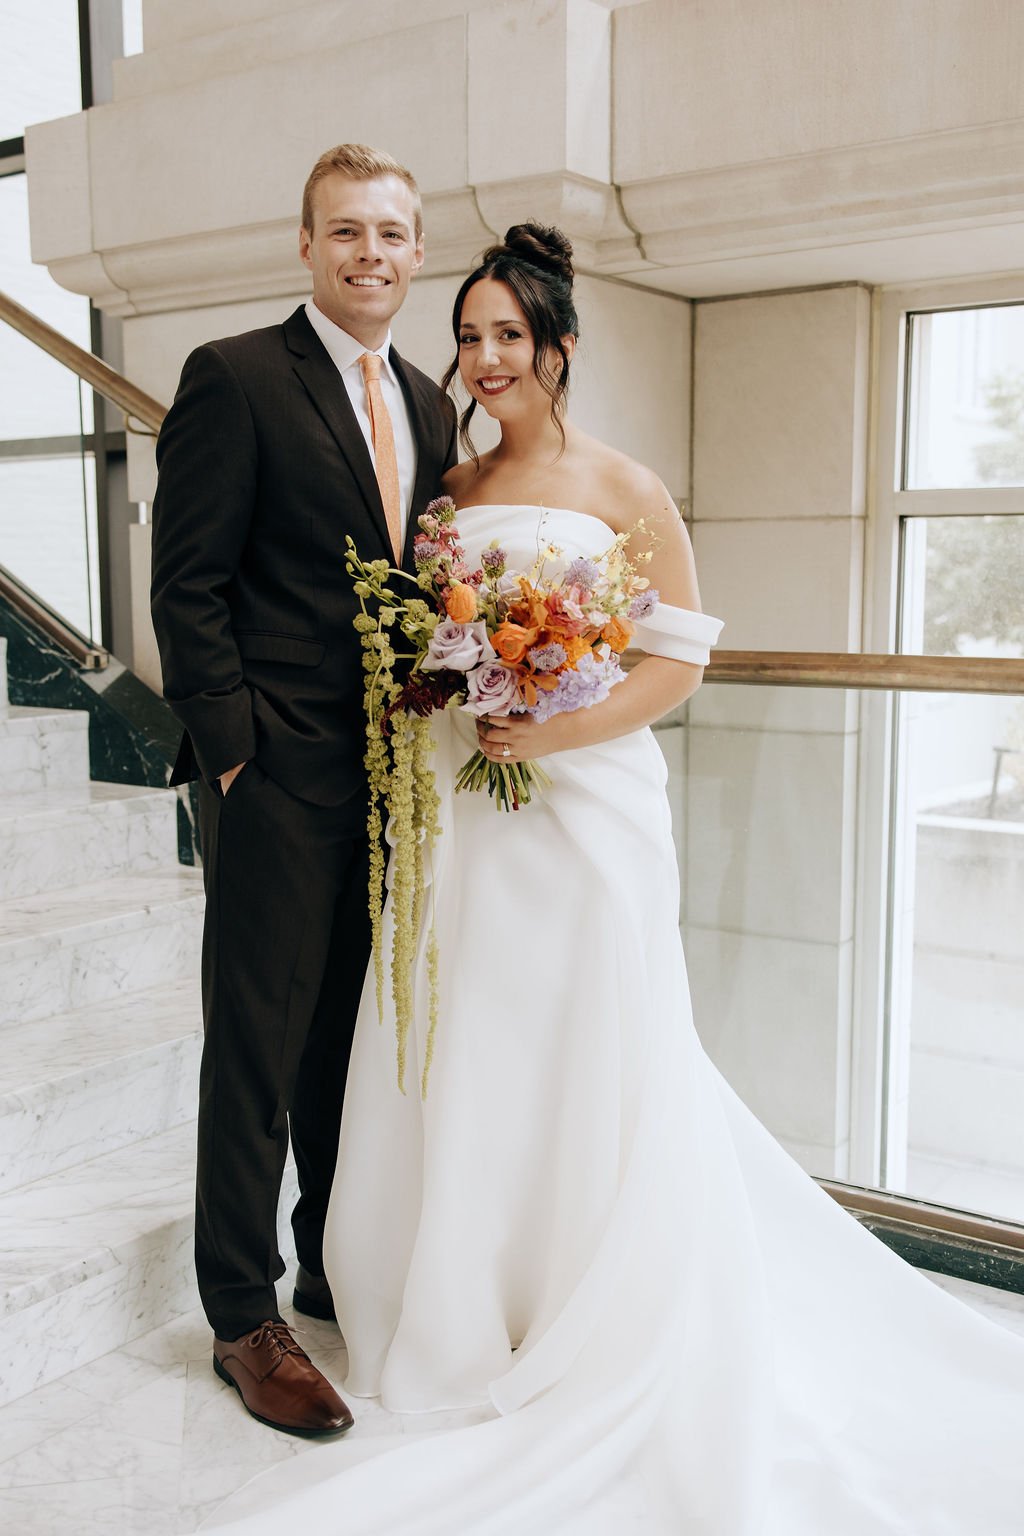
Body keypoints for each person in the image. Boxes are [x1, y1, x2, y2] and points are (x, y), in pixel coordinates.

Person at [207, 227, 1024, 1533]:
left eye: (507, 338)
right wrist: (442, 687)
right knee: (468, 1037)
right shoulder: (446, 491)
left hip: (587, 813)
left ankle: (591, 1301)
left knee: (588, 1044)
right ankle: (468, 1302)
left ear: (559, 346)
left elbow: (680, 657)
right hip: (466, 815)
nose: (482, 360)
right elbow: (419, 647)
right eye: (467, 338)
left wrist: (553, 724)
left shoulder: (625, 484)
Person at [150, 144, 457, 1439]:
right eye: (346, 233)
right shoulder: (235, 379)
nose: (369, 255)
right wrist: (236, 757)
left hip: (387, 785)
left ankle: (332, 1262)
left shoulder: (434, 404)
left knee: (344, 1045)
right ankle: (241, 1312)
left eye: (391, 234)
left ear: (415, 249)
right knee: (260, 1053)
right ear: (306, 244)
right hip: (273, 779)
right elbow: (189, 585)